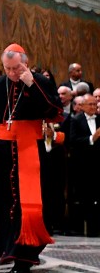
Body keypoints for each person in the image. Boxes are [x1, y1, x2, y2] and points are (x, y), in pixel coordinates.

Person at [0, 44, 63, 272]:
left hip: (30, 150)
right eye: (7, 68)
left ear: (25, 63)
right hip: (2, 152)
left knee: (30, 205)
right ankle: (11, 249)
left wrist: (31, 85)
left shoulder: (40, 82)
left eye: (16, 68)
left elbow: (53, 112)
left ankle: (25, 256)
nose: (11, 73)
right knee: (5, 202)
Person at [68, 95, 100, 236]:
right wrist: (91, 138)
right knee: (85, 197)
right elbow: (73, 141)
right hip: (83, 165)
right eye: (90, 104)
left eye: (95, 104)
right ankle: (87, 228)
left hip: (97, 164)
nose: (93, 107)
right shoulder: (76, 120)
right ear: (83, 106)